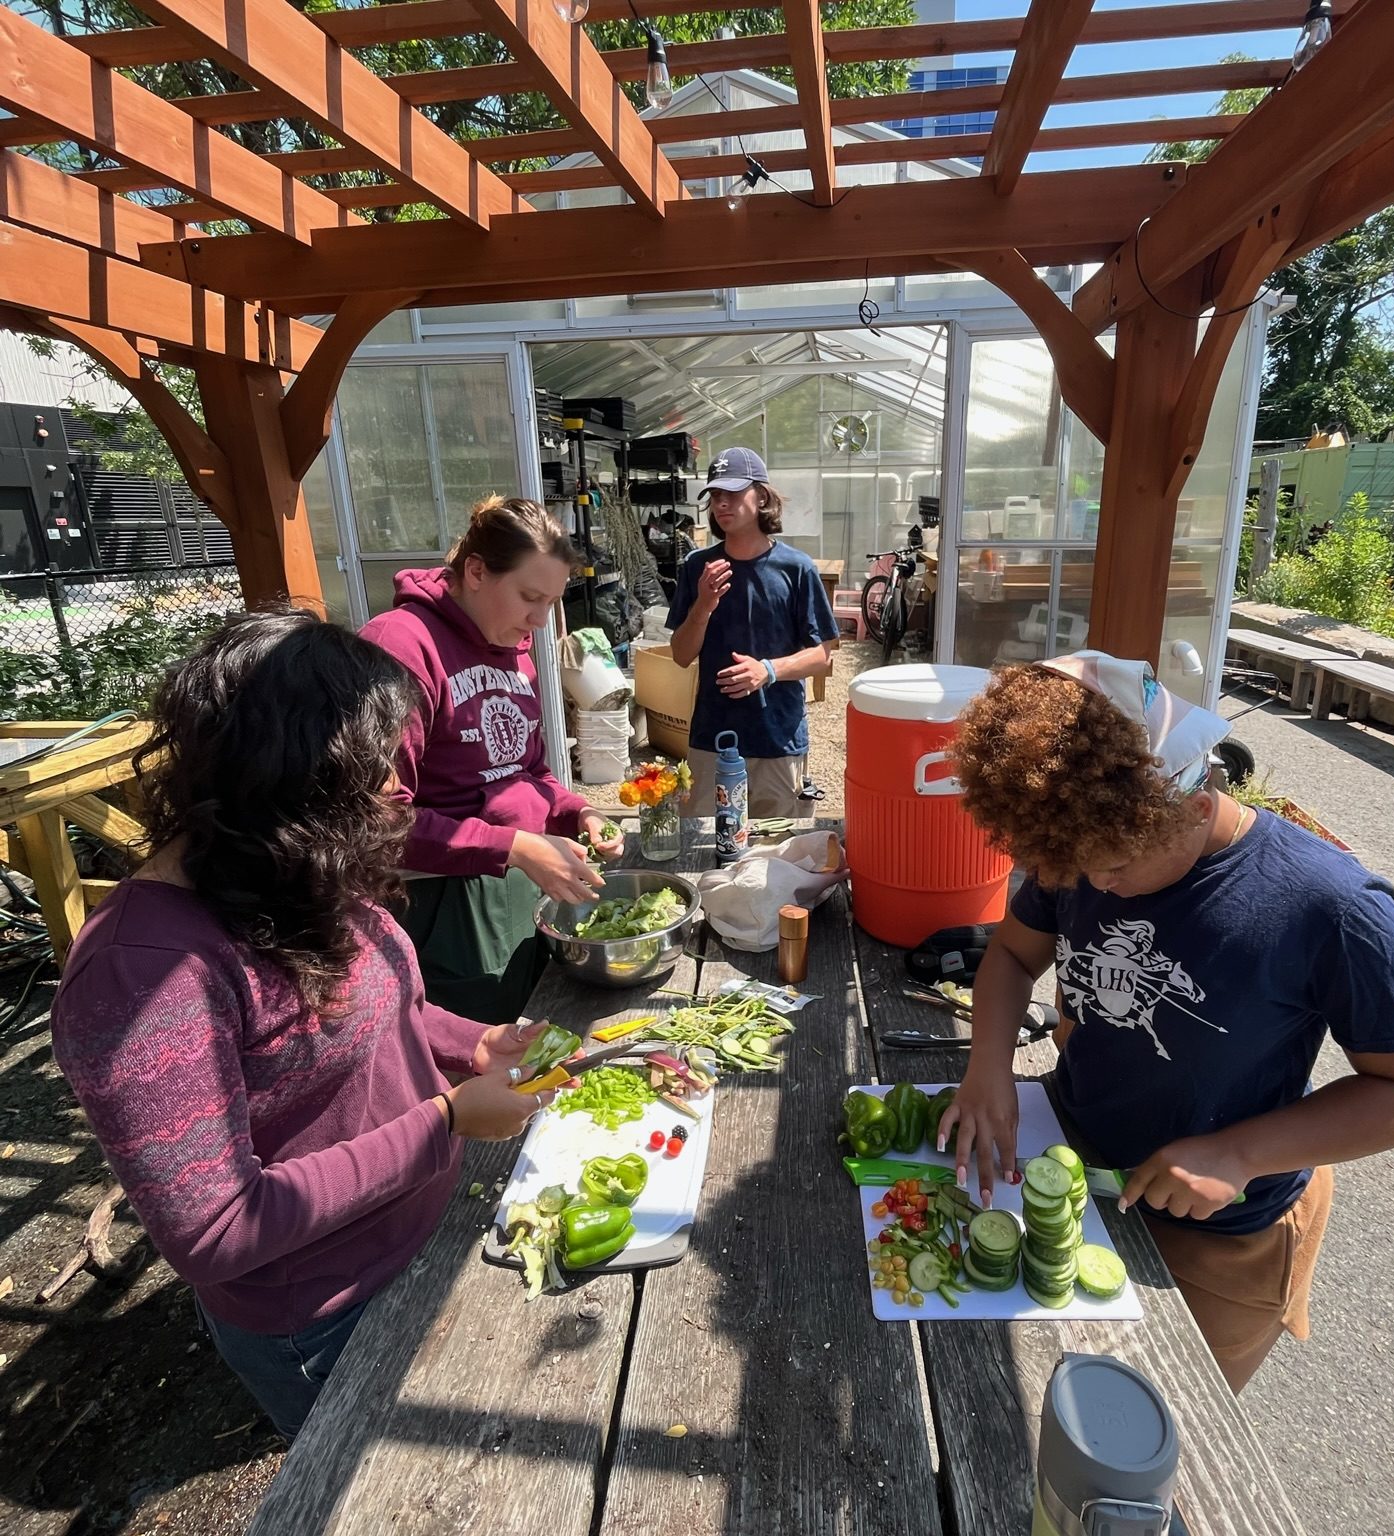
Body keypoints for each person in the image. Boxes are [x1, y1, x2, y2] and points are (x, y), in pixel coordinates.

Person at [51, 610, 567, 1440]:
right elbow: (218, 1229)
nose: (400, 790)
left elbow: (373, 1005)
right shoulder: (141, 974)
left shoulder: (286, 867)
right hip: (328, 1312)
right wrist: (444, 1122)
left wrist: (468, 1043)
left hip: (423, 1230)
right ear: (292, 778)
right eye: (375, 772)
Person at [938, 651, 1394, 1392]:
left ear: (1192, 803)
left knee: (1163, 1436)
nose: (1094, 887)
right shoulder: (1084, 848)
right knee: (1036, 1394)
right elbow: (1014, 958)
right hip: (1075, 1160)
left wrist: (1239, 1154)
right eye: (1074, 872)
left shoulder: (1331, 906)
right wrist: (987, 1067)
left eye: (1112, 870)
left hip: (1223, 1232)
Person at [360, 496, 622, 1023]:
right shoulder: (402, 646)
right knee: (479, 1051)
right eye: (530, 597)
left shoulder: (514, 647)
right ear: (476, 571)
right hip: (444, 902)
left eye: (551, 602)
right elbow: (375, 819)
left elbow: (528, 770)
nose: (541, 620)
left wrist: (577, 813)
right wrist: (516, 846)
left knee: (540, 1028)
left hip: (523, 879)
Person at [667, 446, 839, 818]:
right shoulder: (699, 566)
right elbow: (681, 656)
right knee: (705, 849)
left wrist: (768, 670)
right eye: (715, 495)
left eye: (732, 493)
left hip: (776, 739)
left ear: (761, 496)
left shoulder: (796, 569)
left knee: (774, 856)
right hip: (711, 737)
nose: (721, 504)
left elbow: (823, 655)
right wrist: (703, 604)